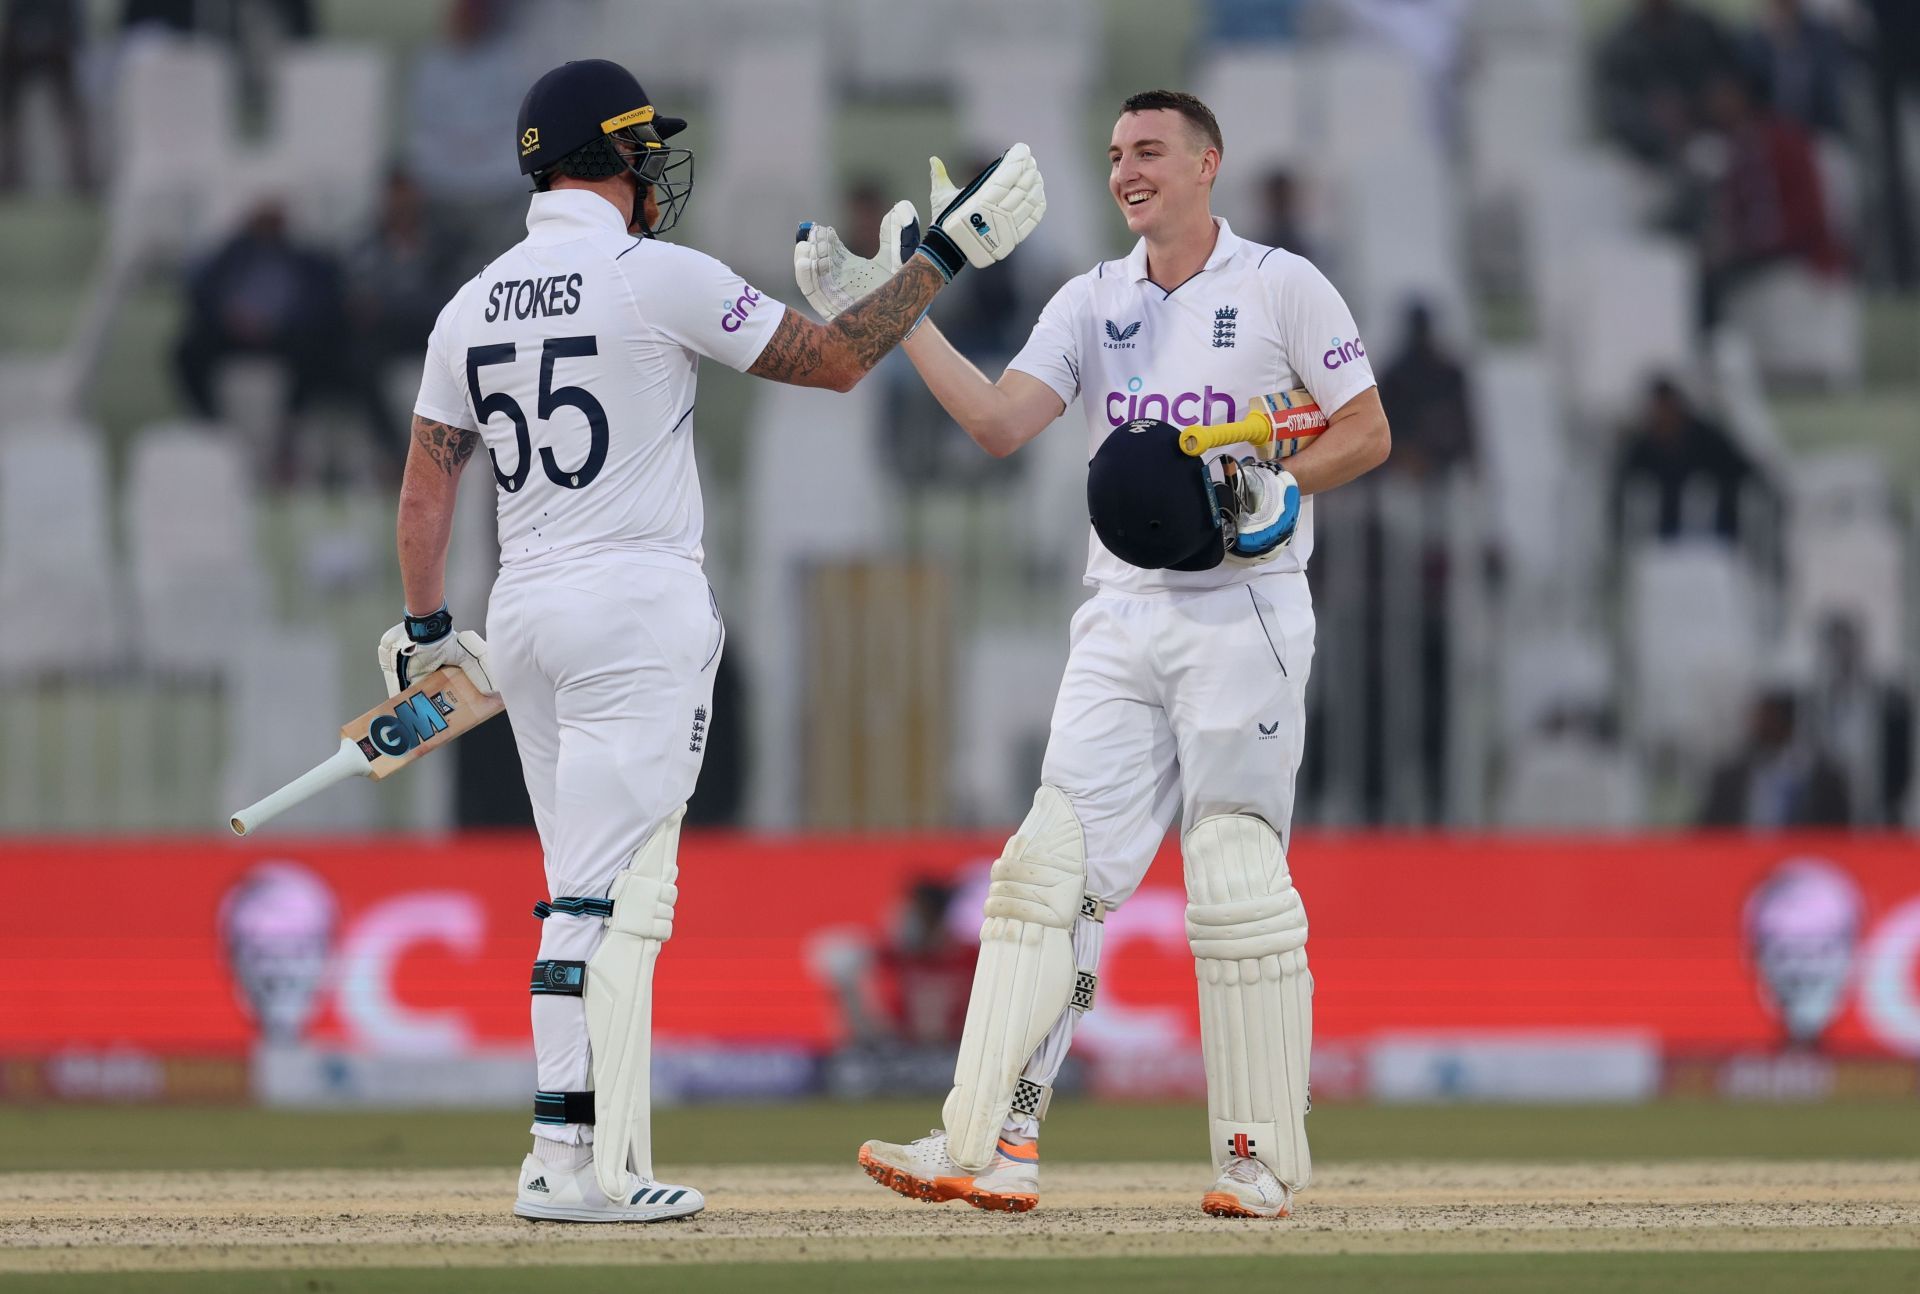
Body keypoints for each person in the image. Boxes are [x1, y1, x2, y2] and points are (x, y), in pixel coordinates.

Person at [382, 58, 1045, 1224]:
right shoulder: (654, 274)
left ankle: (574, 1152)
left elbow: (427, 487)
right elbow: (836, 362)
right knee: (599, 903)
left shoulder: (472, 301)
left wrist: (430, 627)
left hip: (523, 609)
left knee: (574, 892)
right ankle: (571, 1164)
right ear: (610, 156)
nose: (654, 168)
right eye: (642, 146)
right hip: (635, 609)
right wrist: (940, 259)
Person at [796, 89, 1390, 1219]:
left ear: (1208, 164)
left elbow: (1367, 428)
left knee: (1232, 875)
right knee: (1043, 872)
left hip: (1245, 607)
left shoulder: (1282, 284)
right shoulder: (1091, 300)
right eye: (1117, 153)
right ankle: (987, 1140)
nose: (1129, 169)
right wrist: (904, 316)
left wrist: (1280, 480)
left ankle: (1256, 1158)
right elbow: (998, 423)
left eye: (1152, 151)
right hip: (1119, 613)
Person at [1699, 688, 1850, 828]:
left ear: (1786, 720)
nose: (1757, 723)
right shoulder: (1730, 777)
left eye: (1767, 716)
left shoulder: (1820, 776)